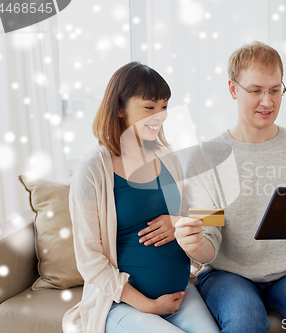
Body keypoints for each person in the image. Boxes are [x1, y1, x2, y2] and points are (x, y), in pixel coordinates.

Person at [175, 42, 286, 332]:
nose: (267, 101)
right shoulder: (206, 158)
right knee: (244, 322)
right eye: (256, 90)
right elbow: (208, 245)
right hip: (227, 275)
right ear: (233, 89)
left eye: (275, 90)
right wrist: (195, 244)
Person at [62, 62, 219, 333]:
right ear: (120, 108)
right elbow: (89, 259)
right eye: (149, 107)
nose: (160, 116)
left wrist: (178, 221)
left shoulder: (169, 158)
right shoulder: (92, 169)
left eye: (165, 106)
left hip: (179, 296)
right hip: (121, 305)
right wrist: (147, 305)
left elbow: (215, 215)